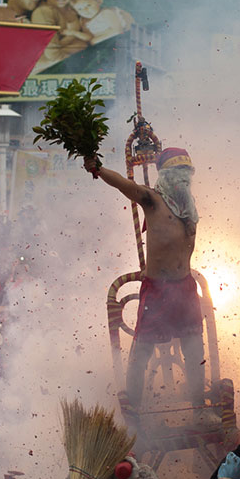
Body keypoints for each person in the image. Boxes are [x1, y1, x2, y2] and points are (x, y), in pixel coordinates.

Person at [84, 147, 205, 417]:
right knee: (142, 352)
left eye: (186, 175)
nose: (182, 181)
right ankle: (135, 414)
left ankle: (199, 408)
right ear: (166, 177)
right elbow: (126, 186)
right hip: (158, 291)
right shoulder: (153, 200)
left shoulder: (189, 210)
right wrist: (98, 169)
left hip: (185, 289)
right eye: (177, 174)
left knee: (195, 349)